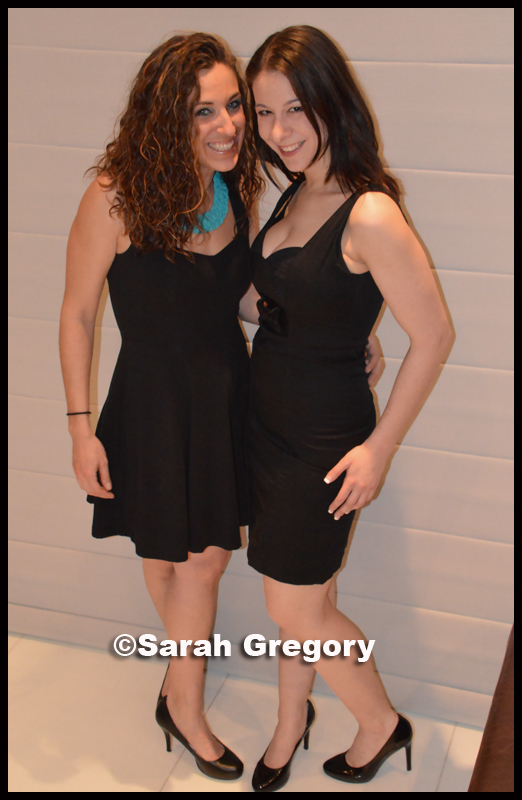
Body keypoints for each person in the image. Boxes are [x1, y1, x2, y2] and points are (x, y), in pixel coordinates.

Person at [241, 25, 454, 791]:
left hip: (323, 443)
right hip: (267, 427)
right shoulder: (298, 190)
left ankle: (379, 723)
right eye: (265, 113)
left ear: (332, 100)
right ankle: (290, 722)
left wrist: (379, 448)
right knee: (307, 598)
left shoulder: (370, 213)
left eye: (295, 109)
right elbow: (279, 300)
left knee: (296, 608)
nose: (280, 131)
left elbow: (435, 336)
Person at [58, 31, 264, 781]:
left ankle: (178, 694)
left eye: (234, 105)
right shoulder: (114, 195)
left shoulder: (236, 188)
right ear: (166, 117)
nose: (227, 124)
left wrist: (327, 328)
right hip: (150, 400)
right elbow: (78, 313)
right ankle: (187, 706)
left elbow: (238, 295)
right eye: (204, 110)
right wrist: (80, 429)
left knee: (203, 561)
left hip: (224, 394)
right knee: (169, 556)